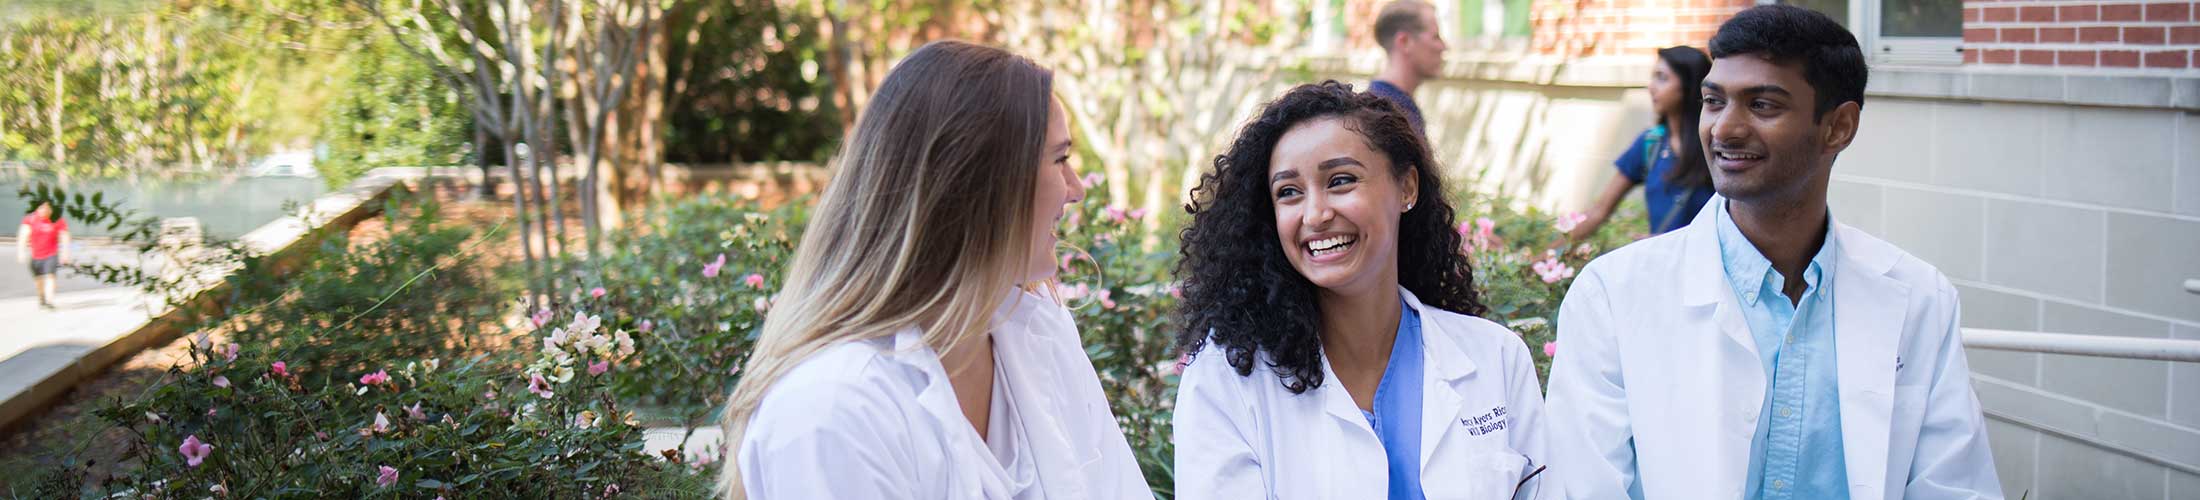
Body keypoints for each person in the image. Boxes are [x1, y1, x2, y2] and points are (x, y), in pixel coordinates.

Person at [1543, 6, 2003, 499]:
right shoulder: (1614, 295)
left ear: (1839, 127)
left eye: (1762, 105)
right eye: (1714, 101)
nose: (1723, 129)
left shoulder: (1918, 298)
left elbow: (1954, 487)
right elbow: (1584, 487)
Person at [713, 40, 1150, 499]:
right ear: (977, 185)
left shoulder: (1038, 327)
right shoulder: (831, 407)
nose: (1076, 189)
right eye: (1060, 160)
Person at [1172, 81, 1546, 499]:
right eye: (1289, 192)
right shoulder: (1225, 381)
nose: (1315, 214)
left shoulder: (1495, 357)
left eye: (1341, 180)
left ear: (1406, 188)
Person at [1570, 46, 1717, 240]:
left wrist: (1666, 244)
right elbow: (1598, 212)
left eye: (1662, 78)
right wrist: (1547, 257)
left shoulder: (1717, 146)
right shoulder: (1650, 143)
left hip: (1708, 266)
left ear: (1689, 87)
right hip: (1660, 267)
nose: (1651, 87)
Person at [1368, 0, 1446, 138]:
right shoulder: (1386, 114)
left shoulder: (1396, 105)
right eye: (1435, 37)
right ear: (1404, 41)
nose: (1443, 46)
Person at [17, 202, 68, 310]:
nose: (44, 210)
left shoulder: (57, 220)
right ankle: (42, 297)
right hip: (36, 256)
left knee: (50, 276)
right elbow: (23, 236)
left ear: (51, 209)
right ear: (37, 208)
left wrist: (65, 252)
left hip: (51, 254)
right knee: (39, 281)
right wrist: (21, 251)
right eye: (41, 208)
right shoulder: (30, 219)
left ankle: (49, 301)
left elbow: (64, 236)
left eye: (47, 208)